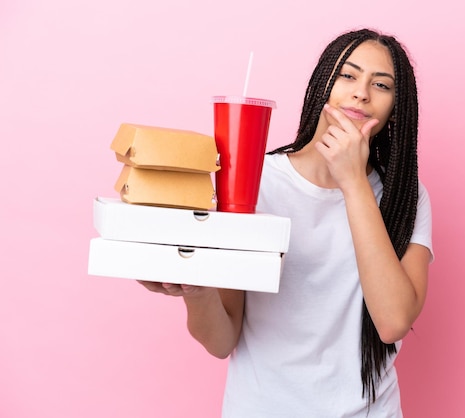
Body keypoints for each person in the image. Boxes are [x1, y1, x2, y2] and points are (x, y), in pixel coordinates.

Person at [139, 27, 433, 417]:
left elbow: (393, 322)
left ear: (396, 106)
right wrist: (196, 288)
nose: (361, 92)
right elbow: (221, 340)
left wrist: (353, 182)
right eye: (348, 75)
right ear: (322, 82)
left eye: (381, 84)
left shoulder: (405, 198)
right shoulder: (251, 183)